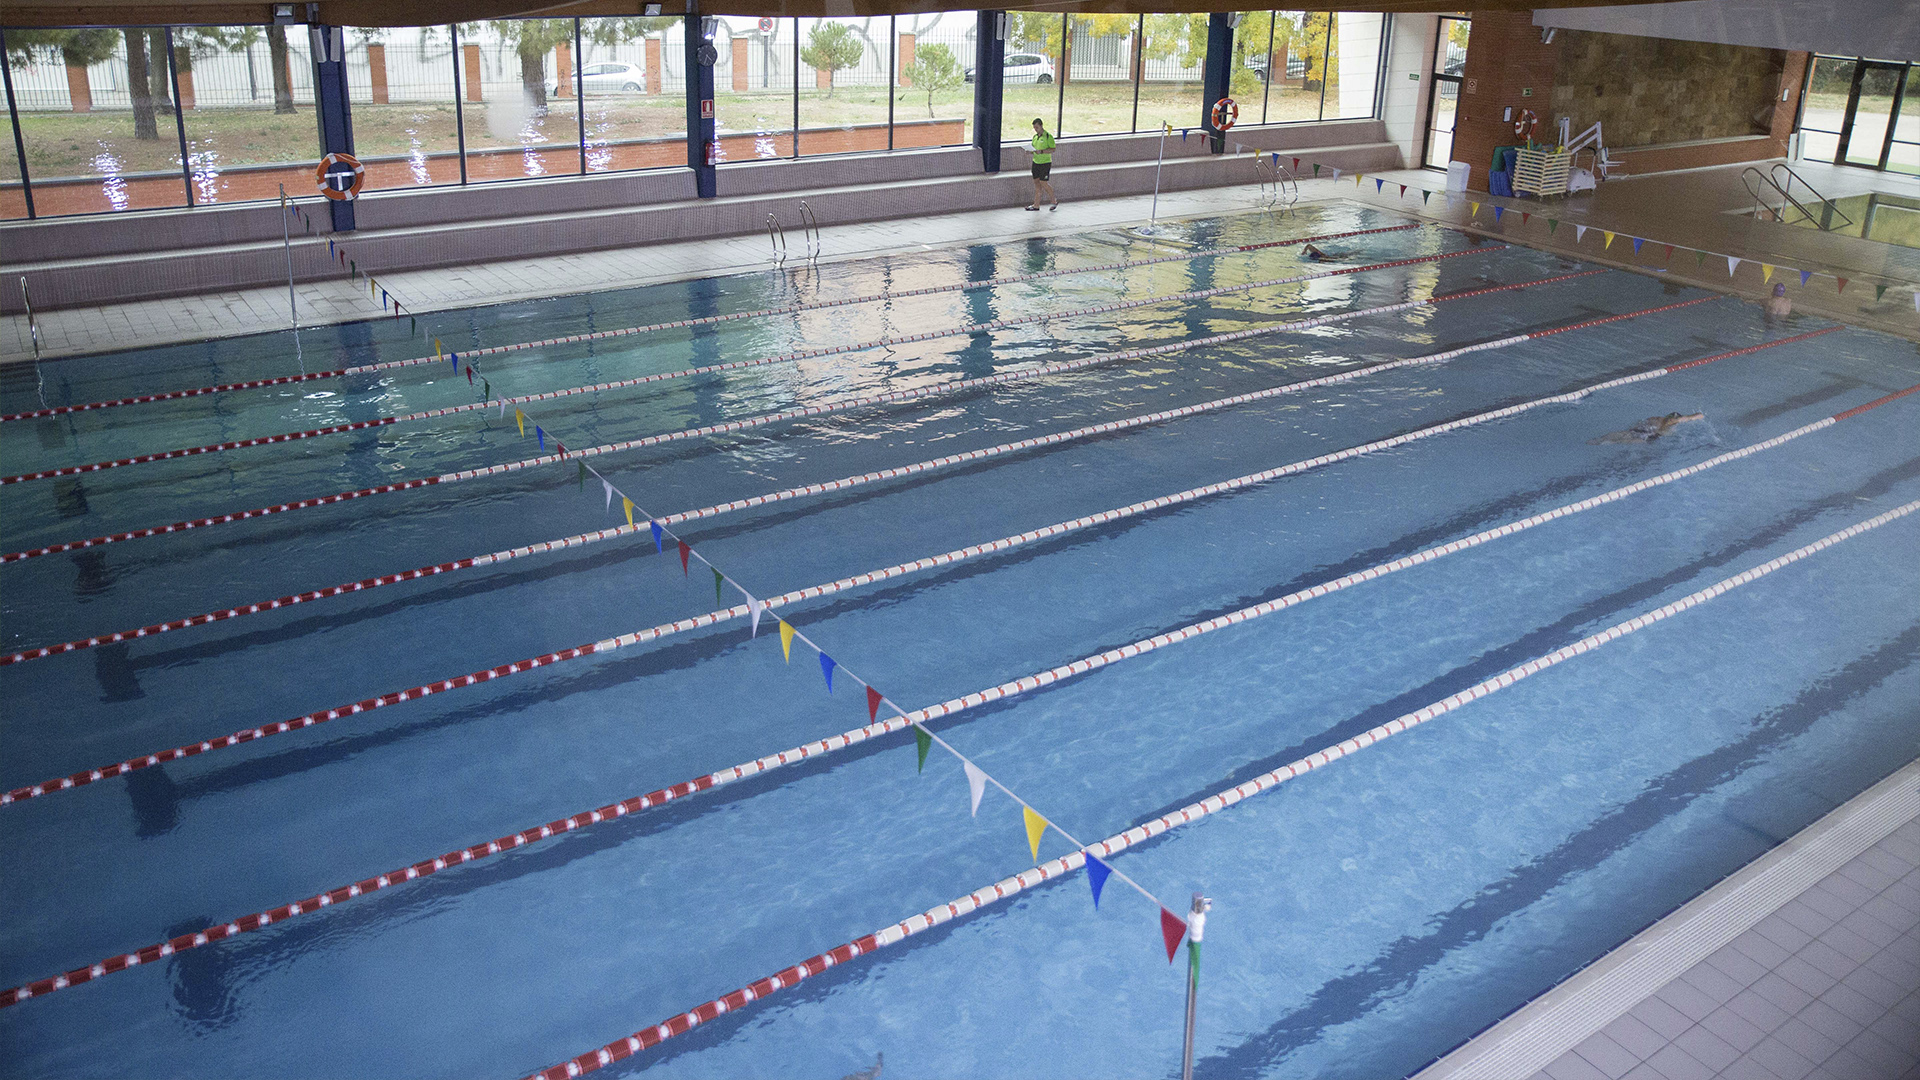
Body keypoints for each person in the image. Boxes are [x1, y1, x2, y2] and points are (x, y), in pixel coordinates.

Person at [1590, 412, 1705, 444]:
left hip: (1638, 431)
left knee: (1617, 436)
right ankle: (1601, 442)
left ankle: (1596, 441)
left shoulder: (1656, 418)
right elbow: (1699, 415)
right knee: (1619, 441)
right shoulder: (1672, 422)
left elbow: (1638, 423)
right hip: (1647, 436)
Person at [1027, 119, 1057, 211]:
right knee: (1037, 183)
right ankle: (1036, 205)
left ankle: (1054, 200)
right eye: (1034, 128)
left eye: (1037, 127)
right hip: (1036, 162)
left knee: (1043, 183)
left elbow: (1053, 149)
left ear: (1041, 126)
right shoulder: (1035, 137)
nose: (1035, 129)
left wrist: (1042, 151)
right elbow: (1034, 149)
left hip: (1045, 163)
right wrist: (1029, 151)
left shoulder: (1048, 136)